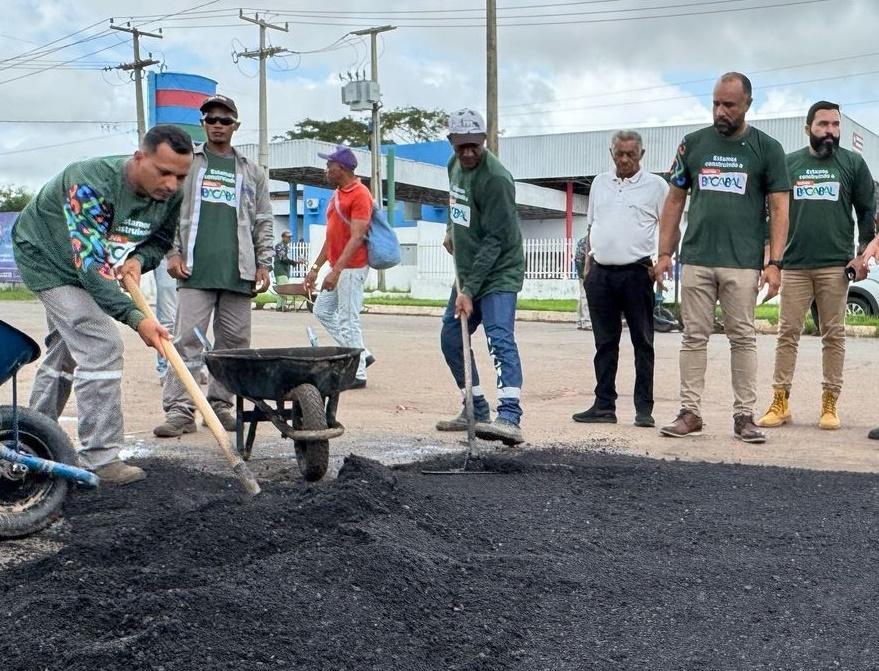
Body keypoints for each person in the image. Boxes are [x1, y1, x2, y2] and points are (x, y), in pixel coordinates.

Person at [11, 125, 193, 484]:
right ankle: (101, 457)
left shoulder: (170, 194)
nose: (172, 184)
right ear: (139, 158)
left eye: (180, 176)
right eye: (164, 172)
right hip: (46, 258)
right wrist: (137, 319)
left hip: (88, 260)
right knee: (100, 341)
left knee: (66, 348)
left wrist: (139, 260)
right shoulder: (90, 183)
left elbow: (159, 241)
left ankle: (29, 437)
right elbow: (91, 267)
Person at [653, 72, 791, 443]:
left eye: (728, 104)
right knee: (693, 337)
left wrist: (774, 262)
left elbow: (779, 208)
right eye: (715, 103)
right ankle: (690, 412)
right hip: (697, 258)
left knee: (742, 338)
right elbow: (674, 200)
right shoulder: (692, 145)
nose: (720, 111)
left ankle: (744, 416)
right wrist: (665, 253)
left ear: (747, 103)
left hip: (742, 263)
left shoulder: (767, 149)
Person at [154, 94, 273, 438]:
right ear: (203, 124)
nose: (218, 125)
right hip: (194, 271)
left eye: (225, 120)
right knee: (186, 343)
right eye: (212, 120)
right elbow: (168, 210)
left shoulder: (252, 171)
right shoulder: (189, 163)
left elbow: (263, 220)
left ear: (235, 125)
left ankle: (220, 408)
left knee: (233, 346)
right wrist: (171, 253)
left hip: (239, 272)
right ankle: (180, 411)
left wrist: (264, 263)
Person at [757, 101, 875, 431]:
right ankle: (780, 403)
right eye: (823, 124)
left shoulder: (852, 163)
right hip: (794, 265)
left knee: (833, 336)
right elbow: (773, 213)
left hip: (835, 267)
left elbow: (867, 210)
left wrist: (862, 254)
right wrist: (771, 259)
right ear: (808, 127)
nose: (830, 131)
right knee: (787, 335)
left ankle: (829, 404)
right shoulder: (789, 164)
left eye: (835, 125)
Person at [435, 108, 526, 445]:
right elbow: (454, 203)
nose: (469, 153)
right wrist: (450, 231)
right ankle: (475, 407)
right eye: (462, 147)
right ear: (452, 143)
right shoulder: (453, 166)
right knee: (451, 336)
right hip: (469, 268)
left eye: (475, 145)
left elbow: (495, 241)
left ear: (484, 140)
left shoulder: (497, 179)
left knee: (499, 337)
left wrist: (469, 290)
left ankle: (510, 417)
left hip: (500, 269)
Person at [572, 130, 669, 428]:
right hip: (600, 273)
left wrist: (663, 260)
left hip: (637, 273)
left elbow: (669, 226)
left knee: (643, 342)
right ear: (611, 153)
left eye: (631, 154)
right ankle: (604, 406)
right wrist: (588, 263)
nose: (625, 159)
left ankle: (643, 409)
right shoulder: (600, 183)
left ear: (642, 154)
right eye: (619, 154)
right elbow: (592, 225)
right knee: (605, 343)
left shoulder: (657, 186)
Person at [304, 146, 375, 388]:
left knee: (348, 319)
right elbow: (331, 236)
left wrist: (337, 271)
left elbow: (357, 237)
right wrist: (316, 267)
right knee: (322, 310)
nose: (326, 170)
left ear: (341, 168)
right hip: (337, 266)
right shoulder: (337, 195)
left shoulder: (360, 194)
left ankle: (358, 373)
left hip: (353, 267)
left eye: (329, 166)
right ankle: (361, 353)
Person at [273, 230, 297, 312]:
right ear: (283, 237)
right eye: (288, 237)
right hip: (280, 270)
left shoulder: (285, 246)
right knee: (283, 289)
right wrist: (293, 262)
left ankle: (280, 306)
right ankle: (280, 306)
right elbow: (283, 258)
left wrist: (293, 262)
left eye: (290, 237)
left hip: (284, 270)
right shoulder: (280, 246)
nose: (289, 239)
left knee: (282, 289)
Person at [573, 234, 592, 330]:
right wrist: (583, 274)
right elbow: (579, 259)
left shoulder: (584, 240)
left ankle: (580, 320)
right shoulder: (587, 242)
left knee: (582, 296)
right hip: (584, 271)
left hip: (586, 270)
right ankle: (586, 321)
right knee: (585, 296)